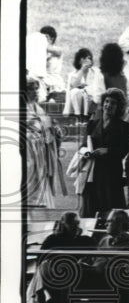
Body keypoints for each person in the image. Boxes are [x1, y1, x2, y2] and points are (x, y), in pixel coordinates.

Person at [81, 89, 129, 218]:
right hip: (92, 171)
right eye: (106, 101)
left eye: (113, 103)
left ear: (118, 107)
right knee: (91, 207)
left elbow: (124, 150)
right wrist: (86, 153)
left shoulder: (123, 126)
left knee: (110, 206)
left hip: (111, 172)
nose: (108, 105)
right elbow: (83, 146)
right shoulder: (92, 124)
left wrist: (107, 151)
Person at [24, 77, 64, 208]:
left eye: (36, 88)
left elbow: (46, 125)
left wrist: (54, 130)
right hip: (29, 149)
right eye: (31, 89)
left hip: (40, 147)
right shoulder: (22, 107)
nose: (35, 91)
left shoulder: (38, 108)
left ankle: (39, 199)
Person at [63, 48, 96, 120]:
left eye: (88, 58)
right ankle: (78, 116)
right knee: (75, 92)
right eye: (83, 59)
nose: (86, 61)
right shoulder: (73, 74)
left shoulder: (95, 72)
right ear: (79, 61)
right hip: (78, 102)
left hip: (91, 99)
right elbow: (72, 87)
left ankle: (87, 116)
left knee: (87, 93)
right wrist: (82, 70)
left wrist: (87, 87)